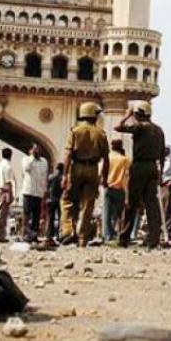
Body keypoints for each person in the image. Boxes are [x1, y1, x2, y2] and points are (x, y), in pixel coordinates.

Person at [117, 101, 166, 249]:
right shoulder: (158, 130)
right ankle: (153, 239)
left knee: (131, 203)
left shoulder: (140, 127)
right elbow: (162, 154)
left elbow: (118, 127)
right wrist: (160, 173)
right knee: (152, 204)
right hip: (153, 167)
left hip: (139, 166)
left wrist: (127, 115)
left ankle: (124, 238)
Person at [61, 102, 110, 247]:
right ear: (94, 116)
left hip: (77, 167)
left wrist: (65, 174)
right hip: (93, 169)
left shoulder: (75, 131)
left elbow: (68, 154)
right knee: (87, 204)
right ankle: (82, 238)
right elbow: (106, 159)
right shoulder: (101, 133)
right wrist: (104, 177)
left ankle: (68, 230)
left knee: (67, 200)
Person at [103, 139, 130, 242]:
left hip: (109, 188)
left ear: (112, 146)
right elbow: (128, 176)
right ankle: (120, 234)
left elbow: (101, 172)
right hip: (120, 189)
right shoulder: (125, 159)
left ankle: (108, 236)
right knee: (120, 215)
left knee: (107, 214)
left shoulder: (108, 158)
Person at [21, 144, 48, 243]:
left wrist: (44, 191)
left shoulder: (44, 162)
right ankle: (25, 235)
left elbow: (44, 177)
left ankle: (34, 236)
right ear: (31, 150)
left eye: (38, 148)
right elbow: (26, 168)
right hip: (28, 191)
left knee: (36, 215)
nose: (37, 150)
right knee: (27, 214)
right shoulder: (26, 159)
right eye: (35, 148)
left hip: (39, 192)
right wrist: (32, 157)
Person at [0, 148, 16, 242]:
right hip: (4, 191)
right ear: (11, 155)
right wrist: (11, 194)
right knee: (2, 214)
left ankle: (0, 235)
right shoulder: (8, 166)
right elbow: (8, 182)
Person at [46, 163, 64, 240]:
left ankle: (49, 234)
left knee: (51, 218)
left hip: (51, 199)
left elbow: (47, 188)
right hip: (60, 199)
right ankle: (59, 234)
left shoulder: (50, 177)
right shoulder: (62, 178)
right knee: (60, 218)